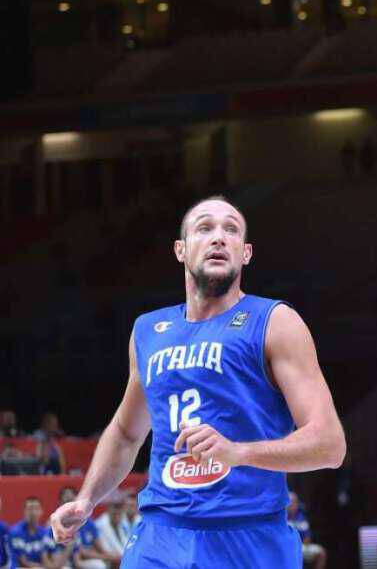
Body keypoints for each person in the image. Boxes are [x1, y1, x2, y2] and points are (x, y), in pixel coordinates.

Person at [47, 196, 346, 569]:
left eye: (231, 230)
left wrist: (239, 452)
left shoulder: (275, 322)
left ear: (246, 253)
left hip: (248, 535)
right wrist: (87, 499)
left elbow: (330, 445)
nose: (219, 237)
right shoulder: (149, 330)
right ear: (181, 250)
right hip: (161, 534)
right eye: (204, 228)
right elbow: (126, 433)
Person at [57, 486, 116, 569]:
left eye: (71, 501)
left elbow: (100, 547)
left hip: (85, 559)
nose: (69, 506)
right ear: (59, 503)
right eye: (66, 501)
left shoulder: (87, 521)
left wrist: (113, 557)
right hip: (67, 562)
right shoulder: (58, 524)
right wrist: (109, 557)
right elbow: (81, 553)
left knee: (104, 563)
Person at [284, 492, 325, 569]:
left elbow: (307, 537)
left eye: (295, 502)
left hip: (302, 546)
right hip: (288, 548)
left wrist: (303, 545)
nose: (292, 505)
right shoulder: (282, 518)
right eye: (290, 502)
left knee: (321, 553)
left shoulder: (301, 518)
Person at [10, 497, 51, 568]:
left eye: (36, 509)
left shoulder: (45, 532)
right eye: (30, 509)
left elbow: (46, 558)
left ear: (41, 511)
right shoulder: (16, 532)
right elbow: (23, 562)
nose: (33, 513)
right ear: (24, 512)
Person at [92, 493, 132, 562]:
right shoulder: (101, 524)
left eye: (120, 507)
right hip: (108, 561)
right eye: (115, 507)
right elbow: (106, 550)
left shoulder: (122, 522)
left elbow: (127, 545)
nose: (117, 510)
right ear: (108, 508)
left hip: (122, 560)